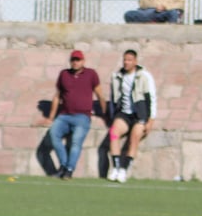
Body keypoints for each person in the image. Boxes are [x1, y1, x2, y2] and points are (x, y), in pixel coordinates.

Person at [40, 50, 107, 179]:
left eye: (78, 60)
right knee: (54, 134)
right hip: (65, 115)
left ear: (83, 61)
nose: (75, 62)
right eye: (73, 60)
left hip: (82, 116)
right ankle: (64, 166)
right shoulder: (64, 74)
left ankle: (69, 169)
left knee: (76, 142)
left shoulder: (91, 74)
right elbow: (57, 97)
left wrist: (105, 114)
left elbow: (100, 94)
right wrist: (50, 117)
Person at [107, 49, 156, 183]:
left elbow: (151, 97)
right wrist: (113, 114)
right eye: (125, 60)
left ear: (135, 61)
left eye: (129, 60)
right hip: (124, 113)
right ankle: (116, 167)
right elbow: (113, 97)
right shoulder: (117, 76)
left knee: (134, 139)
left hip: (140, 113)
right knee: (113, 133)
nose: (126, 62)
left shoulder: (144, 76)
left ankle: (124, 169)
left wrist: (151, 119)